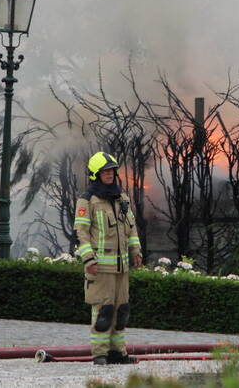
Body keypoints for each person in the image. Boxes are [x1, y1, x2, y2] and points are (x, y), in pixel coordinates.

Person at [74, 151, 143, 365]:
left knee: (122, 311)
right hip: (100, 269)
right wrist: (89, 260)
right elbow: (81, 232)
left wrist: (136, 251)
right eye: (105, 171)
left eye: (112, 170)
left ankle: (117, 352)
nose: (110, 174)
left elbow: (131, 227)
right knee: (103, 312)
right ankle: (100, 354)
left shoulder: (122, 198)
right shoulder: (87, 201)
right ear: (96, 174)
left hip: (121, 268)